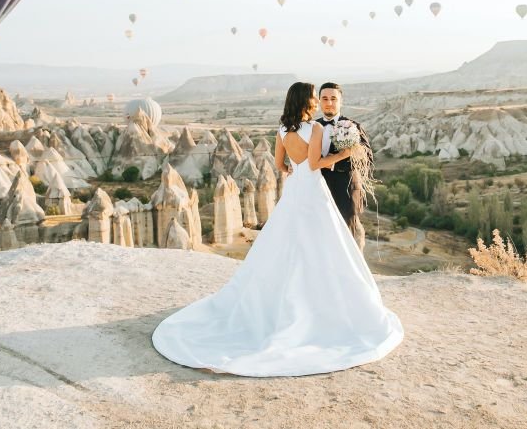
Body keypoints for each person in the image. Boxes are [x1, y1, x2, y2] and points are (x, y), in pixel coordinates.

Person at [151, 82, 404, 377]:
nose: (318, 101)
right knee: (323, 243)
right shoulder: (316, 130)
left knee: (285, 242)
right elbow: (314, 164)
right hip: (314, 190)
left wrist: (292, 169)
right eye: (315, 97)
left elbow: (281, 164)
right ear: (308, 101)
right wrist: (342, 155)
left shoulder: (282, 131)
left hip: (294, 190)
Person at [315, 82, 371, 250]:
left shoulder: (353, 126)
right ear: (319, 101)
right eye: (324, 98)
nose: (329, 102)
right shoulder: (312, 127)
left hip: (346, 189)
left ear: (341, 101)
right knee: (319, 235)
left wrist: (333, 163)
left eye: (333, 98)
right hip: (317, 189)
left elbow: (367, 158)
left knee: (347, 236)